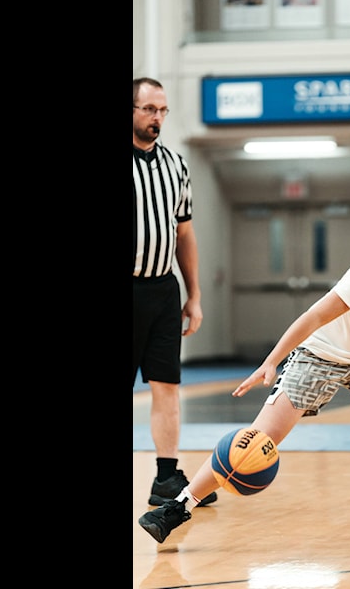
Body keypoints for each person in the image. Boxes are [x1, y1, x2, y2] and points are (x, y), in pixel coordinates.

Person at [139, 194, 350, 547]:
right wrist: (271, 360)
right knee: (256, 441)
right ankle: (178, 506)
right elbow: (315, 315)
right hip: (321, 354)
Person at [132, 77, 217, 509]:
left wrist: (194, 294)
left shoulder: (175, 165)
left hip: (163, 289)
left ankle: (167, 477)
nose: (157, 118)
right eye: (149, 109)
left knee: (167, 384)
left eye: (162, 110)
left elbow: (184, 232)